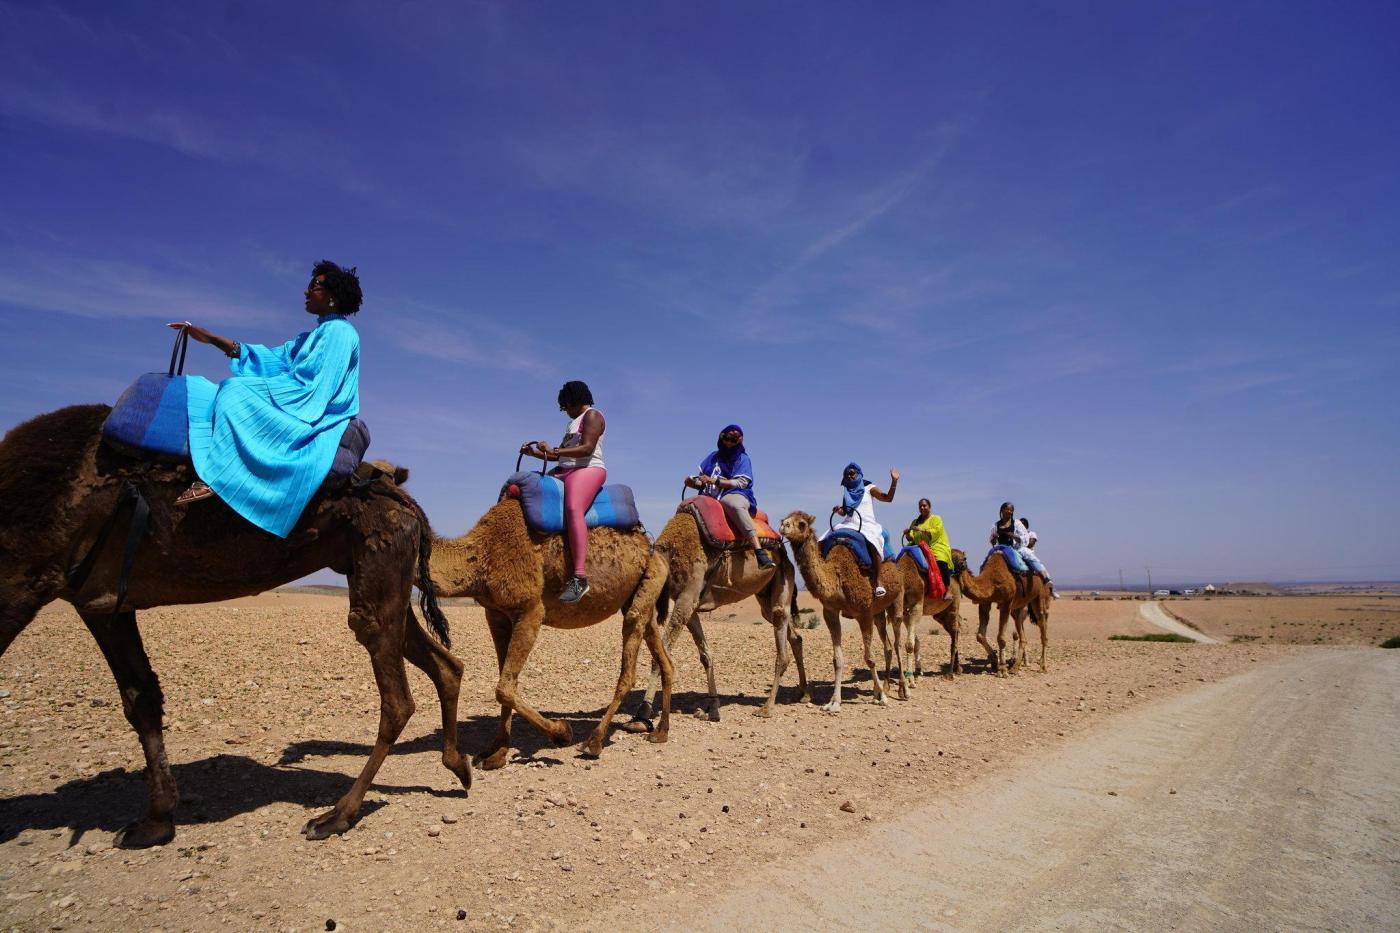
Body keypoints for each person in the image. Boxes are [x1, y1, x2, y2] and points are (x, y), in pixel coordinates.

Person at [169, 260, 362, 538]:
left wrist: (258, 388)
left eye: (314, 285)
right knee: (222, 389)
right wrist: (211, 338)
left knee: (234, 391)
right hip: (299, 399)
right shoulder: (313, 336)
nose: (306, 291)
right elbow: (272, 359)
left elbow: (314, 388)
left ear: (332, 295)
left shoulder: (339, 333)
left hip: (315, 411)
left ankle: (219, 477)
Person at [520, 380, 606, 604]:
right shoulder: (572, 424)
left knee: (573, 508)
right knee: (526, 490)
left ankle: (579, 577)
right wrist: (534, 453)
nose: (566, 411)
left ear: (574, 401)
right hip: (564, 470)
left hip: (587, 469)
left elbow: (586, 448)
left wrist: (555, 450)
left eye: (566, 406)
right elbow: (560, 456)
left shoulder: (593, 416)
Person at [685, 424, 773, 569]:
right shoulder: (713, 458)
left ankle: (759, 553)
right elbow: (703, 482)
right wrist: (692, 482)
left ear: (739, 441)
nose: (729, 443)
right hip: (710, 496)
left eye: (733, 440)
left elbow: (741, 482)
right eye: (727, 439)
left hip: (734, 493)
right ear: (722, 438)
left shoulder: (742, 458)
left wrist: (716, 481)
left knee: (732, 504)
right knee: (689, 508)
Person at [821, 462, 898, 597]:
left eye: (852, 473)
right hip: (849, 523)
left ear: (859, 474)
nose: (850, 476)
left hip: (867, 524)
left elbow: (888, 498)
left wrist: (894, 481)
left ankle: (878, 581)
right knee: (822, 540)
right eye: (847, 474)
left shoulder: (869, 487)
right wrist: (839, 510)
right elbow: (846, 512)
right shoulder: (847, 491)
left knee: (873, 542)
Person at [907, 497, 953, 590]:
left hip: (936, 545)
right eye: (920, 506)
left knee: (940, 561)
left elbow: (936, 531)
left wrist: (921, 530)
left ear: (929, 507)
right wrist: (907, 533)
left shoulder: (936, 519)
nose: (922, 508)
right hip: (919, 547)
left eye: (924, 505)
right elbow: (911, 538)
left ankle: (947, 589)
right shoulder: (915, 522)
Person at [1019, 517, 1054, 591]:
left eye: (1021, 525)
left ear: (1025, 526)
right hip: (1019, 552)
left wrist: (1020, 543)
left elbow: (1030, 544)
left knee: (1040, 566)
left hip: (1028, 553)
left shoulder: (1031, 533)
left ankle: (1050, 587)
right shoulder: (1018, 535)